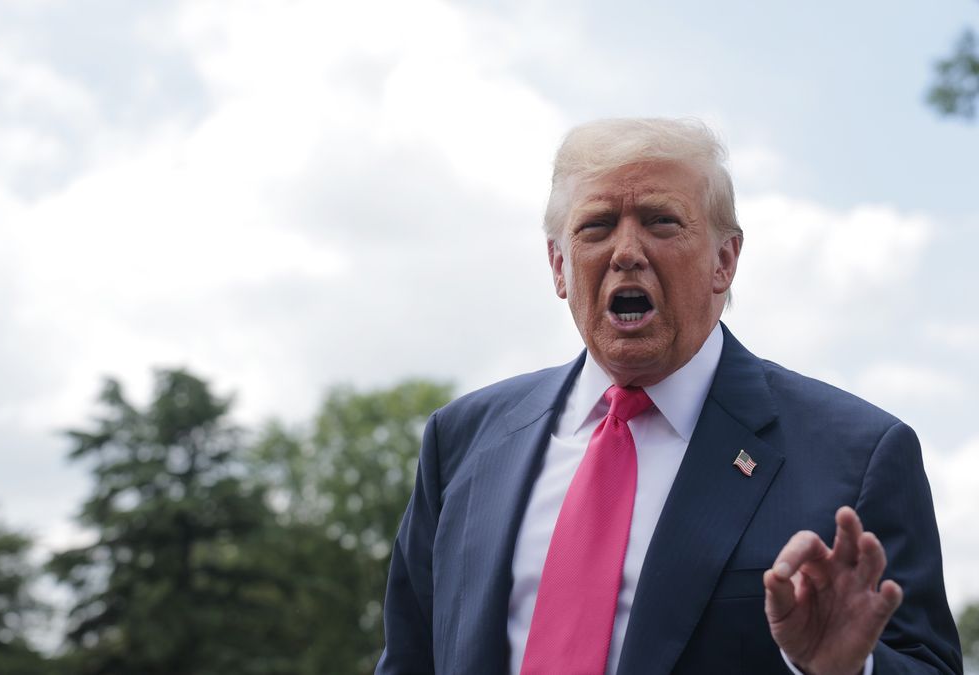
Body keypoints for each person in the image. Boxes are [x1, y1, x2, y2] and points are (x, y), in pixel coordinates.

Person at [375, 118, 962, 675]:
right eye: (596, 226)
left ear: (724, 260)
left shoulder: (860, 457)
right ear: (559, 265)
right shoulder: (461, 442)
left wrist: (844, 669)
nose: (627, 251)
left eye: (661, 222)